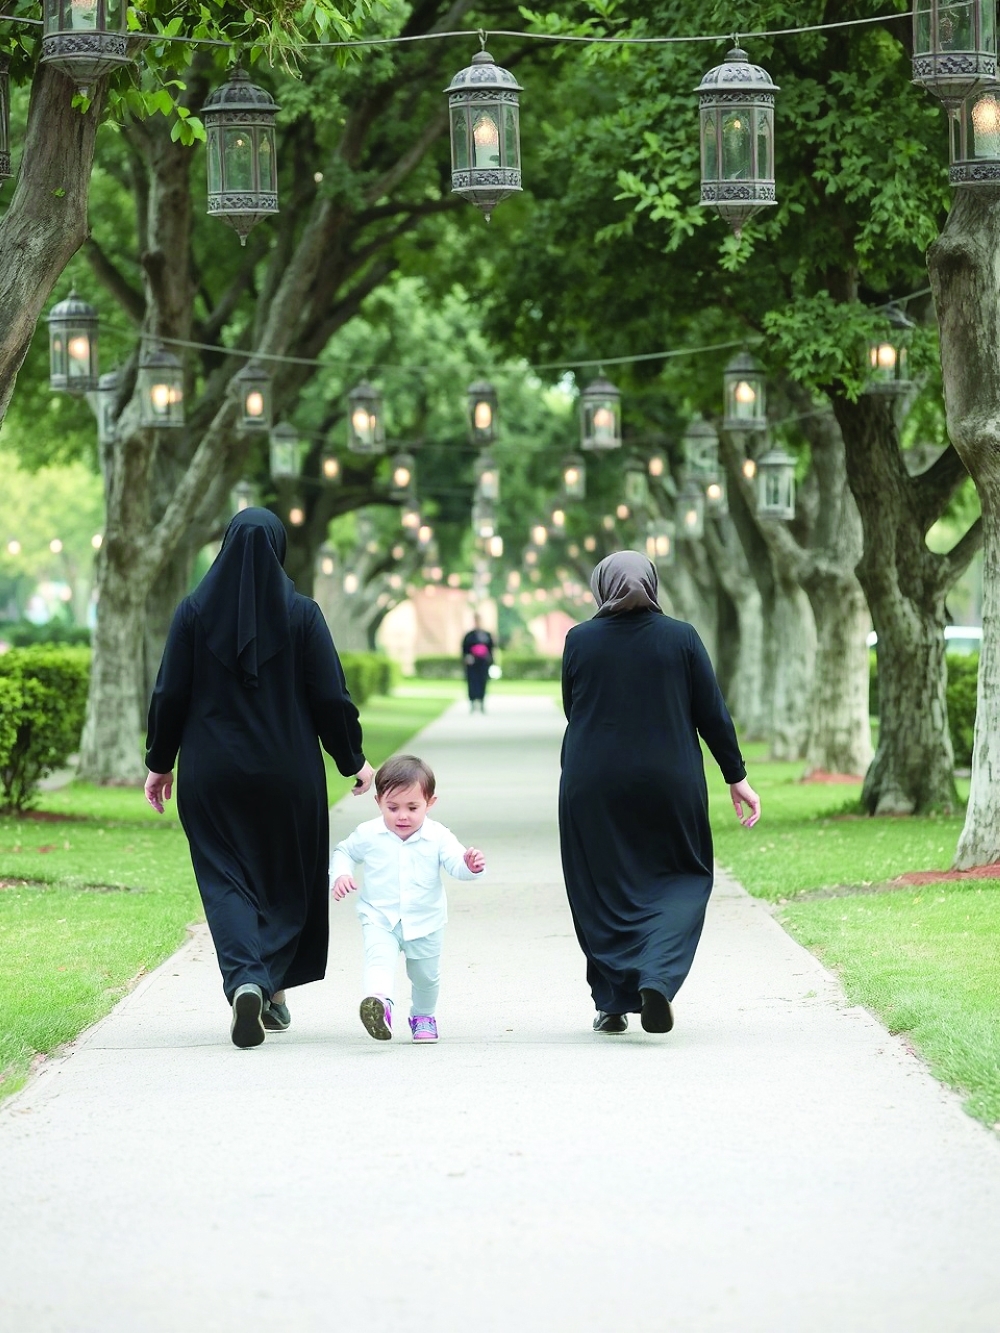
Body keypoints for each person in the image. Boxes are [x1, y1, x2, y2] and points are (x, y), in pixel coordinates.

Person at [144, 507, 374, 1049]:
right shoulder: (302, 614)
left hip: (212, 776)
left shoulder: (193, 613)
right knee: (285, 880)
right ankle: (269, 988)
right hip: (287, 775)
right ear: (278, 549)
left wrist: (159, 762)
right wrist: (353, 760)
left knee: (226, 878)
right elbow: (330, 698)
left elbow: (168, 695)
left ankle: (249, 980)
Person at [559, 550, 760, 1037]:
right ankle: (657, 978)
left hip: (592, 782)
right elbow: (711, 712)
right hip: (668, 780)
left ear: (600, 586)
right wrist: (737, 776)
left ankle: (611, 1003)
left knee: (600, 889)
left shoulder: (579, 639)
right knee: (682, 878)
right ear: (652, 585)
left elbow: (572, 705)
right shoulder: (682, 638)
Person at [331, 754, 485, 1043]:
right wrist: (340, 874)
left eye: (412, 807)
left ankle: (423, 1016)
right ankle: (380, 1006)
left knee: (426, 977)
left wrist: (470, 865)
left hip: (426, 921)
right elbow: (344, 852)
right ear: (378, 802)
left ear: (430, 803)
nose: (402, 816)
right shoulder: (369, 834)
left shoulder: (438, 836)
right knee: (378, 962)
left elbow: (456, 864)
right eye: (392, 807)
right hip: (380, 918)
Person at [461, 614, 495, 712]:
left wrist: (490, 660)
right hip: (472, 663)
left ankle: (481, 701)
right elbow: (464, 650)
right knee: (472, 682)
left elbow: (491, 649)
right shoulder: (469, 636)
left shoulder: (486, 635)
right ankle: (472, 701)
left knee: (482, 682)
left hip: (483, 663)